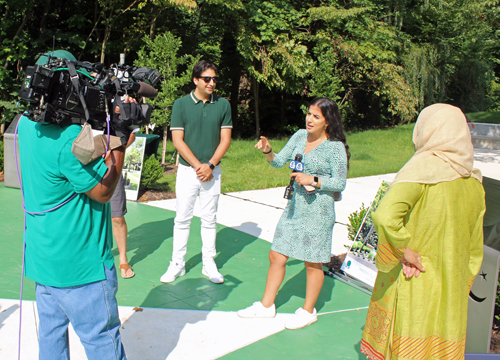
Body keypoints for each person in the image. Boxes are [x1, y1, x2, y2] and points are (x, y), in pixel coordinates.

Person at [18, 51, 129, 359]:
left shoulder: (26, 125)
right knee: (101, 341)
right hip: (82, 270)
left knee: (51, 340)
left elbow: (83, 146)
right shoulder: (68, 142)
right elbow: (104, 189)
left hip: (44, 262)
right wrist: (120, 134)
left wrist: (106, 131)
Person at [360, 103, 485, 359]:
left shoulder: (422, 170)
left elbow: (384, 216)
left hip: (414, 280)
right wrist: (460, 281)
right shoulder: (474, 183)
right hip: (452, 289)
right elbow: (474, 249)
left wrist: (402, 251)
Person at [237, 97, 349, 329]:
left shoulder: (335, 147)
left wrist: (313, 180)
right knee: (277, 254)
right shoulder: (299, 136)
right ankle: (266, 306)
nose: (309, 119)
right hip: (295, 207)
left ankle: (308, 311)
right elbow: (278, 162)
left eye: (316, 116)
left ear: (327, 121)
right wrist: (268, 151)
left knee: (312, 262)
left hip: (319, 211)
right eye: (308, 114)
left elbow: (340, 182)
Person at [160, 60, 232, 284]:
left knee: (210, 220)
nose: (212, 83)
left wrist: (209, 165)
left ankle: (209, 263)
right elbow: (177, 141)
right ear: (195, 80)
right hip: (187, 172)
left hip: (213, 171)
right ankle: (177, 264)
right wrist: (198, 166)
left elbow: (225, 140)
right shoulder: (180, 104)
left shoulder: (223, 105)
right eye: (207, 79)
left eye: (214, 79)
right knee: (182, 219)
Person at [111, 95, 138, 279]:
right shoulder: (95, 101)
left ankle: (122, 258)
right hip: (89, 165)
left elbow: (132, 137)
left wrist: (115, 148)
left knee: (117, 216)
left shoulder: (129, 104)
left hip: (113, 165)